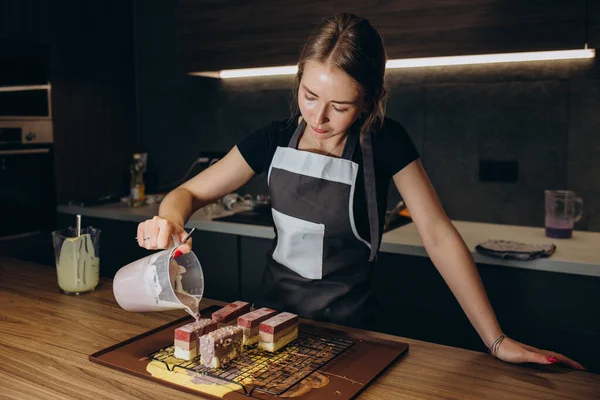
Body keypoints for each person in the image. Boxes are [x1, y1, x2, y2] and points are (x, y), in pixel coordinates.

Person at [137, 13, 583, 370]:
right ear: (298, 81)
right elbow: (187, 194)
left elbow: (438, 235)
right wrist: (171, 218)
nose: (319, 118)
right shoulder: (270, 140)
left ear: (369, 101)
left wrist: (496, 340)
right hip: (267, 326)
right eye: (310, 96)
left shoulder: (386, 143)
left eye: (341, 106)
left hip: (354, 336)